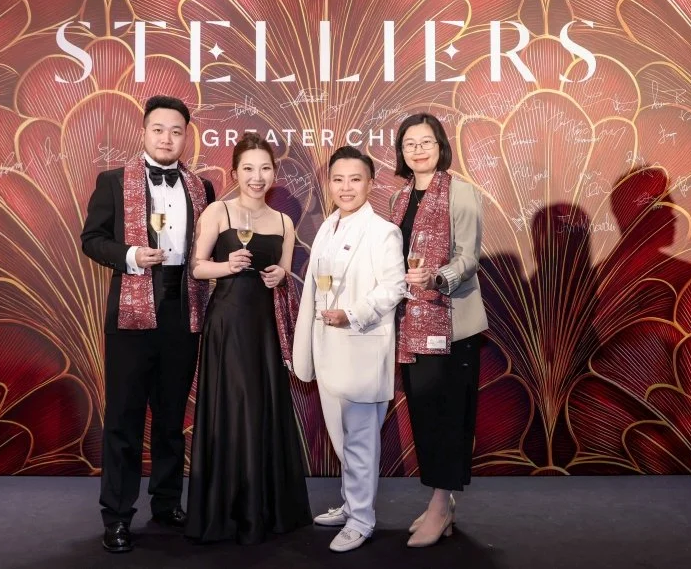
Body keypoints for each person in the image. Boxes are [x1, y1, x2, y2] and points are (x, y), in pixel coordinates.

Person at [80, 95, 215, 553]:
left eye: (176, 131)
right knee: (124, 418)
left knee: (172, 417)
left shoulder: (202, 187)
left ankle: (167, 503)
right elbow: (92, 239)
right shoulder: (114, 182)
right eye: (158, 129)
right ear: (144, 132)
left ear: (186, 136)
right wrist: (132, 255)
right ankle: (117, 516)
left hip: (183, 310)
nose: (167, 138)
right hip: (132, 313)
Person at [185, 133, 312, 544]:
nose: (257, 177)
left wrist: (279, 276)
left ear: (274, 173)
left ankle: (266, 508)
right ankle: (231, 509)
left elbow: (285, 273)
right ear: (235, 172)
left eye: (265, 168)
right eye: (249, 169)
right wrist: (227, 266)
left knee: (263, 406)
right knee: (235, 405)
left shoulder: (284, 222)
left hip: (265, 327)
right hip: (228, 323)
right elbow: (196, 267)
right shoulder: (218, 211)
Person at [292, 146, 406, 553]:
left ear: (370, 184)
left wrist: (353, 314)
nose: (345, 187)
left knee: (359, 441)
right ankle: (350, 505)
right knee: (342, 438)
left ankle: (361, 519)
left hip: (360, 348)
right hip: (328, 348)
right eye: (338, 179)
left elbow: (394, 287)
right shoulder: (329, 226)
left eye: (355, 179)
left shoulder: (383, 232)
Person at [389, 113, 486, 548]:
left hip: (452, 324)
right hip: (412, 326)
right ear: (401, 151)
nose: (418, 150)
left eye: (426, 141)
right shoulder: (399, 198)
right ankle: (440, 502)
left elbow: (469, 257)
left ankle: (441, 504)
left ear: (441, 146)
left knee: (447, 417)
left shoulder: (460, 192)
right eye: (409, 143)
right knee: (425, 415)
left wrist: (436, 278)